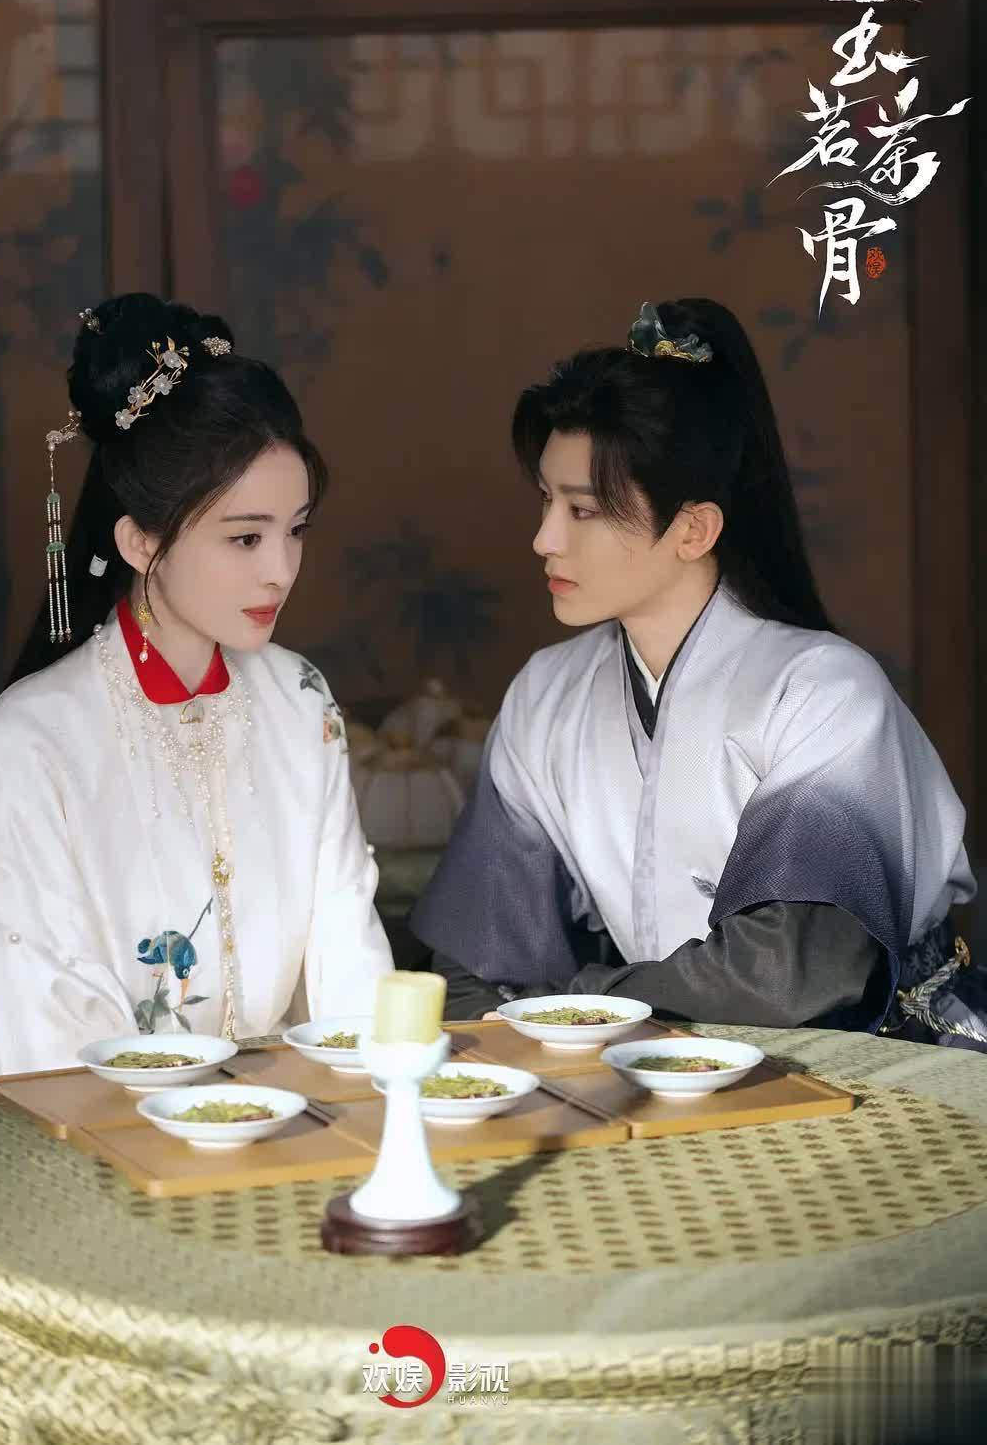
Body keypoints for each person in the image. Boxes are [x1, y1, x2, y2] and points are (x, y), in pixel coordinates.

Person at [409, 299, 974, 1028]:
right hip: (654, 1055)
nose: (544, 538)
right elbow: (478, 960)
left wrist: (576, 1005)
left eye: (582, 510)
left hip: (875, 1057)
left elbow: (790, 974)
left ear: (694, 529)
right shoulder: (545, 696)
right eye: (546, 500)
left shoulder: (822, 692)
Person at [0, 293, 392, 1140]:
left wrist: (368, 1111)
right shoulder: (27, 745)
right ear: (140, 542)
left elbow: (347, 952)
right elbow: (44, 1029)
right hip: (104, 1150)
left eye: (296, 530)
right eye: (245, 538)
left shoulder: (300, 700)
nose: (281, 570)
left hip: (289, 1135)